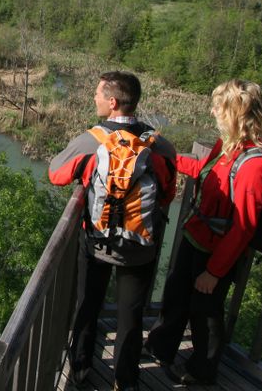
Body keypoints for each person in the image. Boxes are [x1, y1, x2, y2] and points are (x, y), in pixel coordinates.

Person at [145, 78, 262, 385]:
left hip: (217, 252)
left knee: (204, 312)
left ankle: (202, 370)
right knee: (176, 295)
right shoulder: (228, 146)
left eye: (218, 107)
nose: (212, 112)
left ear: (237, 113)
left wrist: (214, 272)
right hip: (196, 235)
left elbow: (243, 228)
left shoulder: (256, 167)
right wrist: (165, 156)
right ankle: (160, 347)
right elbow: (204, 171)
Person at [49, 71, 176, 391]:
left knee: (87, 305)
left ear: (113, 102)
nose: (94, 98)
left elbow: (55, 174)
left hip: (97, 243)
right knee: (131, 314)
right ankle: (125, 380)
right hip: (140, 247)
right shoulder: (159, 145)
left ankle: (80, 369)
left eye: (98, 94)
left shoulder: (91, 140)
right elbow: (168, 194)